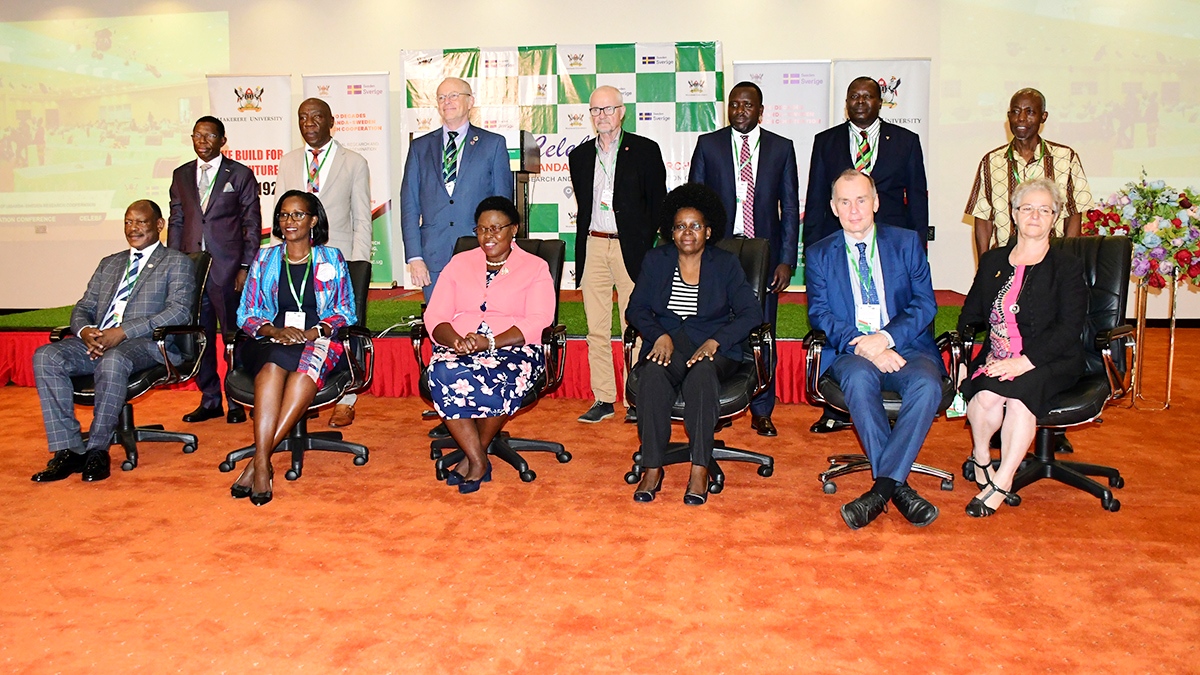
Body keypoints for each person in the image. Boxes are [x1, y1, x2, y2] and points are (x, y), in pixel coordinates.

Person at [806, 170, 942, 530]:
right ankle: (899, 488)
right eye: (845, 202)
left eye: (861, 200)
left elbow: (925, 304)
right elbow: (819, 313)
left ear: (876, 202)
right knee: (859, 380)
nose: (854, 210)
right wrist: (865, 344)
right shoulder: (820, 253)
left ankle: (881, 490)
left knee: (928, 385)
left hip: (905, 346)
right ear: (834, 208)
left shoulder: (906, 242)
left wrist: (885, 337)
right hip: (852, 350)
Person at [31, 200, 196, 483]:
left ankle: (97, 450)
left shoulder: (176, 262)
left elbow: (179, 310)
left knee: (114, 358)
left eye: (141, 222)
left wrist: (122, 332)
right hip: (99, 340)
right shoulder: (110, 263)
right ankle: (68, 450)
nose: (133, 228)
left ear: (159, 225)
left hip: (147, 343)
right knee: (46, 356)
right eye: (128, 222)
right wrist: (85, 332)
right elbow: (83, 307)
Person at [805, 76, 929, 436]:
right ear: (846, 102)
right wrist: (815, 248)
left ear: (880, 101)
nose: (860, 102)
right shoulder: (825, 142)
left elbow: (917, 197)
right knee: (846, 330)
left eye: (868, 96)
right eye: (853, 97)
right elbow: (816, 198)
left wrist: (917, 248)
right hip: (841, 247)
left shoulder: (905, 141)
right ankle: (840, 412)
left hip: (891, 250)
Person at [625, 183, 763, 506]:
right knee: (654, 376)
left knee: (702, 375)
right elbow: (636, 308)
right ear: (671, 233)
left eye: (695, 226)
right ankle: (652, 466)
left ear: (708, 231)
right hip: (668, 342)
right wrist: (658, 334)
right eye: (680, 226)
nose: (688, 232)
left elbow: (750, 312)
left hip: (715, 348)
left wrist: (718, 340)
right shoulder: (656, 261)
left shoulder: (726, 264)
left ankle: (700, 468)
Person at [957, 178, 1087, 517]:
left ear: (1055, 217)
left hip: (1051, 359)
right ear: (1014, 214)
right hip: (998, 356)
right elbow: (970, 316)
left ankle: (1002, 482)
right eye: (1027, 208)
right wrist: (963, 356)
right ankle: (982, 457)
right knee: (984, 397)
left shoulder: (1068, 267)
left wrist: (1024, 362)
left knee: (1017, 400)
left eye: (1045, 210)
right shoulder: (992, 261)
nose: (1035, 216)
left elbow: (1069, 329)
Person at [401, 77, 513, 440]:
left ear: (470, 101)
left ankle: (485, 405)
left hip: (481, 255)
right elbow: (409, 204)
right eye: (442, 97)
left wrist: (499, 255)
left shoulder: (493, 144)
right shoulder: (420, 147)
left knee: (482, 327)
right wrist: (414, 255)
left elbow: (501, 205)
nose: (448, 101)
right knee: (442, 329)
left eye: (454, 96)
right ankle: (450, 407)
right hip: (432, 257)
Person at [229, 191, 357, 506]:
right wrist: (274, 330)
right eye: (284, 215)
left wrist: (315, 331)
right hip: (273, 339)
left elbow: (346, 310)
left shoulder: (331, 258)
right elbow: (246, 313)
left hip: (318, 339)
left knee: (302, 374)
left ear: (314, 220)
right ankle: (262, 461)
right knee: (272, 366)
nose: (290, 221)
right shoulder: (265, 258)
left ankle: (259, 461)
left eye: (298, 215)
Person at [423, 196, 556, 494]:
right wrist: (454, 340)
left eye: (497, 228)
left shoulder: (534, 267)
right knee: (443, 371)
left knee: (500, 376)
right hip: (462, 344)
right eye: (482, 229)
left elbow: (540, 318)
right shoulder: (460, 263)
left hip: (514, 347)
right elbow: (435, 314)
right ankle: (478, 458)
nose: (489, 236)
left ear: (514, 230)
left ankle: (475, 457)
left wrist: (490, 342)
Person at [689, 81, 799, 437]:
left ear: (760, 110)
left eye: (747, 105)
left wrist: (786, 260)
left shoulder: (782, 148)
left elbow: (791, 208)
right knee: (716, 326)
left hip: (763, 255)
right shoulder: (709, 145)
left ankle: (762, 408)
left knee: (763, 331)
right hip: (718, 252)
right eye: (734, 105)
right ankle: (718, 402)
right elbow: (695, 202)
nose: (740, 110)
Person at [568, 85, 667, 425]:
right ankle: (604, 398)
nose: (602, 116)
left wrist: (647, 240)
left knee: (635, 326)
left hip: (632, 248)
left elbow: (659, 204)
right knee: (596, 328)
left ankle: (635, 397)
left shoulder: (645, 151)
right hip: (594, 245)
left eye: (608, 109)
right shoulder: (578, 157)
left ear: (622, 111)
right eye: (596, 110)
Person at [278, 97, 371, 429]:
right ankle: (303, 387)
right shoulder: (287, 162)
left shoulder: (354, 161)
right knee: (302, 322)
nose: (310, 123)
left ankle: (346, 398)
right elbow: (282, 217)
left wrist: (359, 265)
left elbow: (362, 217)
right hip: (297, 260)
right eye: (303, 118)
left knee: (341, 327)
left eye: (317, 117)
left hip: (340, 257)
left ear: (332, 121)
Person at [168, 115, 262, 425]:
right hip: (192, 272)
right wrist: (173, 265)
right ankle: (210, 398)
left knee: (233, 338)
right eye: (197, 135)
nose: (203, 141)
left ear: (223, 141)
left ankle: (237, 398)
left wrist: (246, 267)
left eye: (210, 136)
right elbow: (177, 221)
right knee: (199, 337)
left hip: (229, 270)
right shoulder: (180, 175)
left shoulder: (241, 174)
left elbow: (251, 224)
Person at [966, 88, 1093, 256]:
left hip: (1051, 261)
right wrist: (984, 269)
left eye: (1030, 112)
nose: (1021, 118)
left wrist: (1066, 260)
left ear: (1043, 116)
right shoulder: (991, 161)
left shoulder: (1066, 158)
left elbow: (1074, 214)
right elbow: (983, 218)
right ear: (1008, 116)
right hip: (1005, 260)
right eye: (1016, 112)